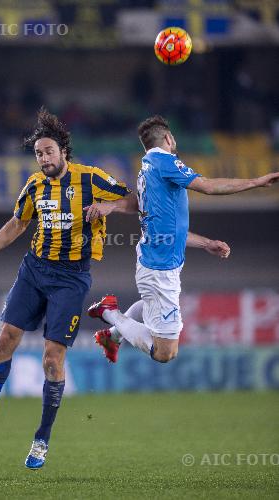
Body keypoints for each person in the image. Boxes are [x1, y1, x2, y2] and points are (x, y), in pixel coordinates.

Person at [0, 107, 131, 469]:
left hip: (71, 278)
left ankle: (41, 440)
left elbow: (134, 200)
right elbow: (16, 224)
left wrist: (108, 207)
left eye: (48, 151)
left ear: (63, 151)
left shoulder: (91, 178)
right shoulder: (34, 186)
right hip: (34, 270)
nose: (43, 158)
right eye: (38, 153)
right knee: (6, 337)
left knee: (53, 357)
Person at [86, 115, 279, 363]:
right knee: (166, 352)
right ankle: (108, 313)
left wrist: (206, 243)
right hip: (160, 267)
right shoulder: (164, 162)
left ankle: (112, 336)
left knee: (150, 305)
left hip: (157, 259)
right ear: (168, 138)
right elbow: (208, 186)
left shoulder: (147, 170)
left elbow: (168, 228)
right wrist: (257, 181)